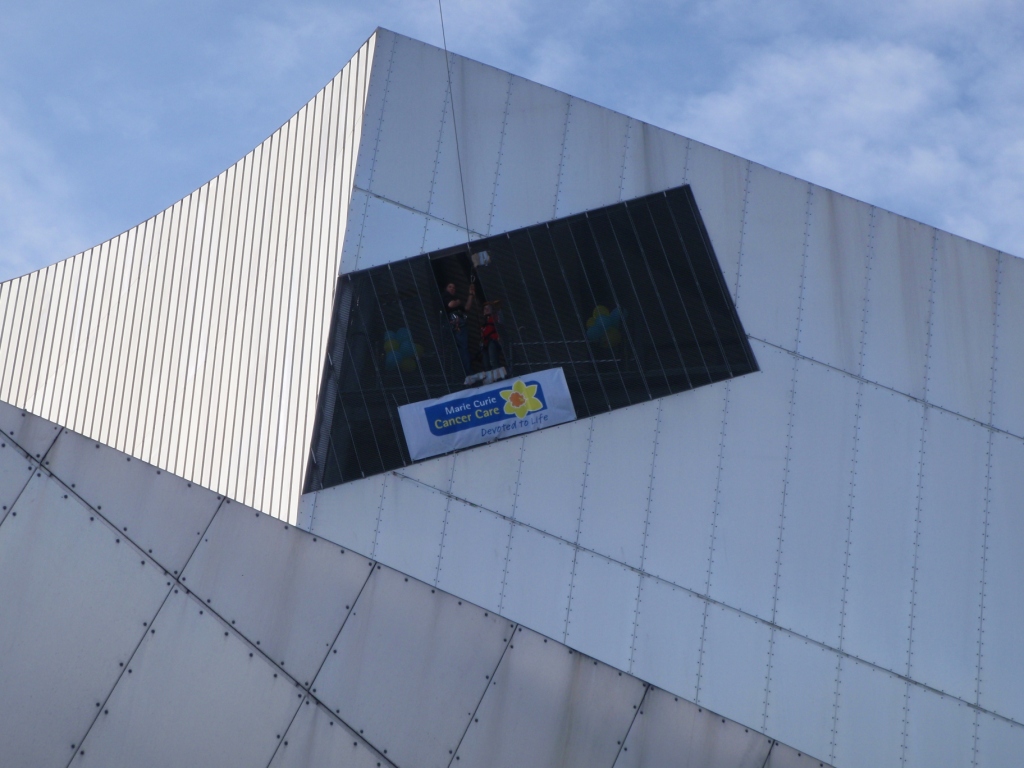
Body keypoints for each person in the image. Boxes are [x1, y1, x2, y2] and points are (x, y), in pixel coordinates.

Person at [444, 282, 475, 375]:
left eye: (454, 287)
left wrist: (471, 294)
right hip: (456, 325)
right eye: (450, 287)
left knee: (463, 348)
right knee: (462, 348)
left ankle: (467, 372)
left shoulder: (455, 301)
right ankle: (467, 372)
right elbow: (450, 304)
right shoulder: (445, 296)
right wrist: (458, 302)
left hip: (458, 325)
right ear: (446, 288)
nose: (452, 289)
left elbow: (467, 308)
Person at [480, 301, 503, 372]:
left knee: (493, 361)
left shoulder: (495, 317)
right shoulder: (484, 323)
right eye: (485, 308)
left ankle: (497, 376)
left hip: (494, 341)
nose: (486, 309)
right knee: (486, 364)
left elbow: (501, 323)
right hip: (486, 343)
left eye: (488, 308)